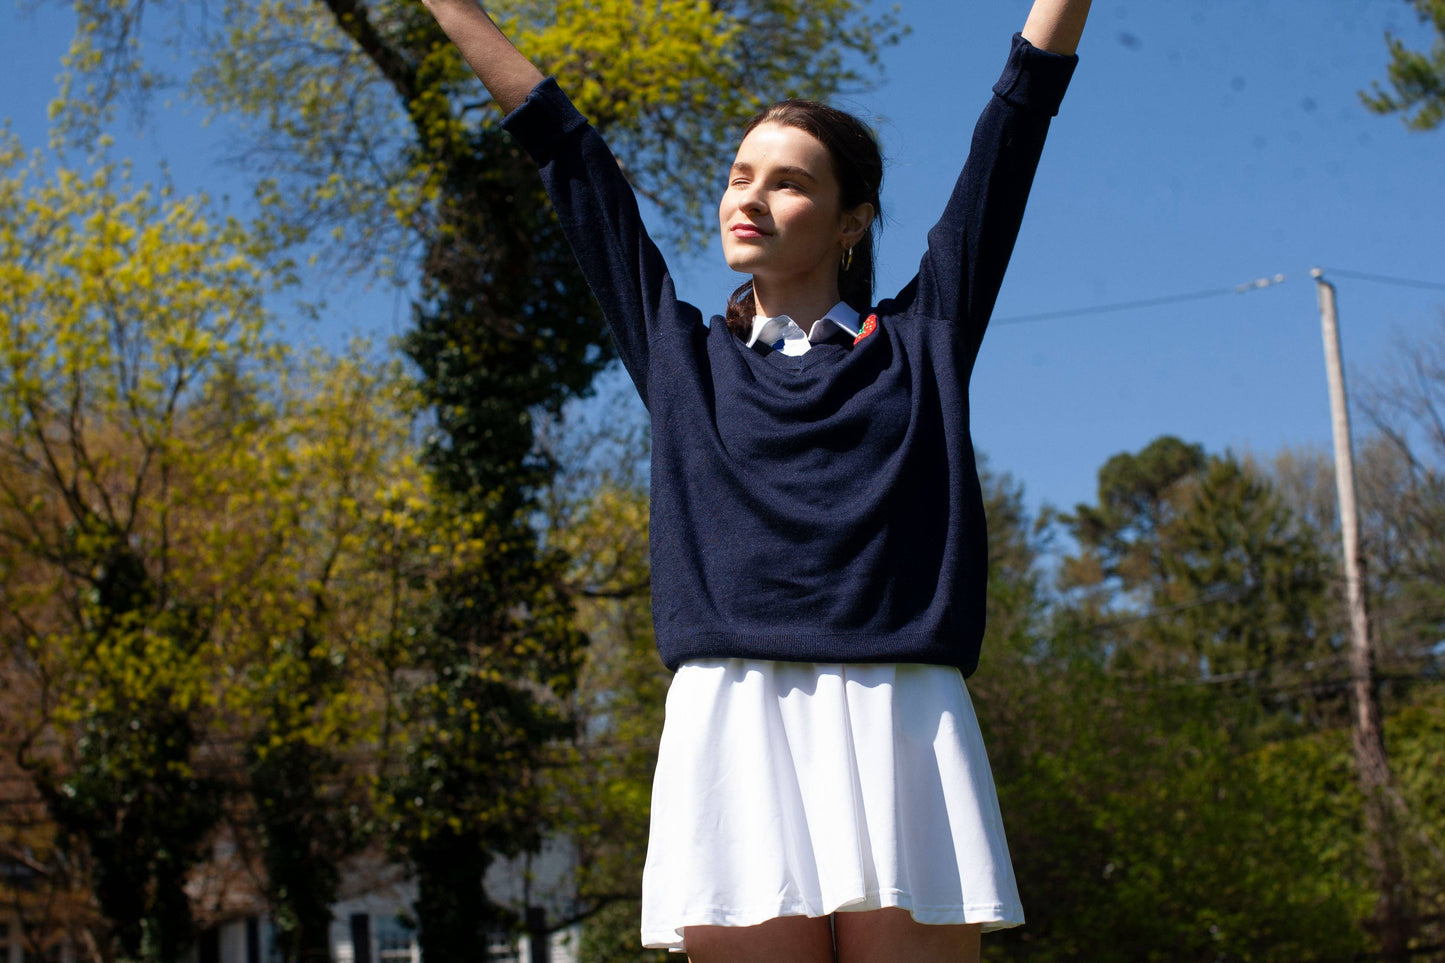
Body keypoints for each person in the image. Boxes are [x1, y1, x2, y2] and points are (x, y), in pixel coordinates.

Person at [420, 2, 1092, 960]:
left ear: (852, 219)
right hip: (734, 716)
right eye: (740, 176)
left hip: (899, 711)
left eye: (787, 183)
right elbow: (564, 152)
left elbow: (1016, 122)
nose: (749, 197)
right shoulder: (680, 357)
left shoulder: (923, 340)